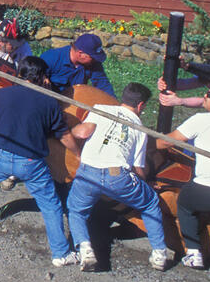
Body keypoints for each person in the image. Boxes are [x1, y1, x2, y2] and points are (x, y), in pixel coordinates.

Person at [0, 56, 80, 267]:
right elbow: (64, 135)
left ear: (19, 73)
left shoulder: (0, 94)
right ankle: (60, 253)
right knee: (50, 204)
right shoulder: (49, 102)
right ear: (42, 78)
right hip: (31, 161)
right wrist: (79, 153)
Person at [67, 82, 168, 272]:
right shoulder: (139, 127)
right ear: (141, 106)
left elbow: (82, 132)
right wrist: (147, 184)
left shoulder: (99, 108)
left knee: (77, 211)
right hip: (117, 175)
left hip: (88, 172)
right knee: (150, 204)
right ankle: (159, 254)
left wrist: (68, 132)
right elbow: (138, 168)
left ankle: (85, 248)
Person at [157, 79, 210, 268]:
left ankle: (194, 252)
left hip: (208, 188)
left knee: (186, 202)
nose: (205, 96)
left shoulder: (202, 119)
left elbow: (165, 142)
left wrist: (149, 143)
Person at [40, 33, 115, 97]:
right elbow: (33, 83)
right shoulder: (50, 58)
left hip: (76, 102)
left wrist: (115, 107)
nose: (95, 60)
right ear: (80, 53)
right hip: (49, 101)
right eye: (93, 57)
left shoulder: (93, 63)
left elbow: (104, 86)